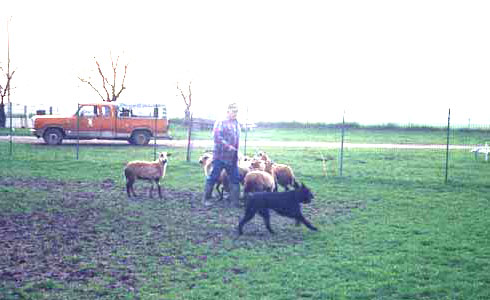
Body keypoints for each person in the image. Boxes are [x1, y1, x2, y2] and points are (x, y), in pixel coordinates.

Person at [203, 102, 241, 206]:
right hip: (220, 156)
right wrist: (229, 147)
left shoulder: (236, 123)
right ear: (228, 111)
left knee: (235, 178)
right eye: (233, 112)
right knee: (214, 177)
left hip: (232, 158)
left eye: (237, 112)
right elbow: (217, 137)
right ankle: (206, 199)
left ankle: (235, 201)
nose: (235, 114)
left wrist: (237, 152)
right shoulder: (221, 122)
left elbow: (237, 139)